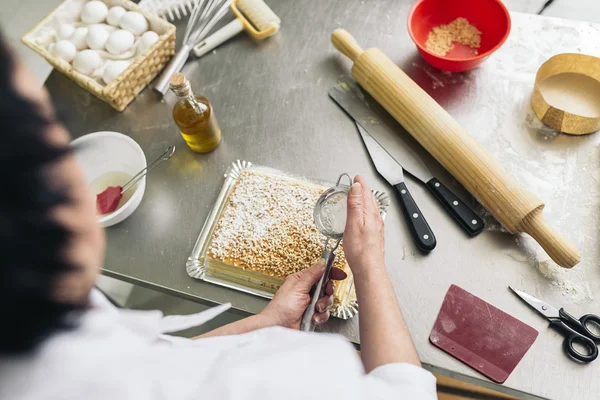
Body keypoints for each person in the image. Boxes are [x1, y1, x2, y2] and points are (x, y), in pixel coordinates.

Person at [0, 32, 437, 399]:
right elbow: (406, 389)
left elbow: (169, 363)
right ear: (45, 202)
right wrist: (370, 262)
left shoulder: (37, 333)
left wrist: (266, 324)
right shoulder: (297, 377)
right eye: (57, 136)